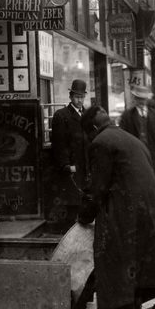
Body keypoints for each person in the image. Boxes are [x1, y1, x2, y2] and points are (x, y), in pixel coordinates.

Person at [79, 106, 155, 309]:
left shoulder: (101, 143)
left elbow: (97, 187)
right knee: (136, 260)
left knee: (114, 257)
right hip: (150, 208)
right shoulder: (128, 137)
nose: (89, 139)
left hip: (129, 211)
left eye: (88, 134)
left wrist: (84, 216)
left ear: (93, 129)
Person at [50, 79, 88, 228]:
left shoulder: (87, 115)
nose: (80, 100)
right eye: (77, 97)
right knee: (72, 205)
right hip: (71, 169)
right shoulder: (62, 116)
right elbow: (59, 145)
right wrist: (66, 166)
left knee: (84, 203)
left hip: (84, 168)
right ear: (71, 97)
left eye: (82, 97)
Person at [119, 85, 155, 188]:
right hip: (135, 155)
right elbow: (123, 137)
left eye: (143, 99)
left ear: (147, 99)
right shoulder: (127, 116)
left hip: (153, 154)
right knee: (138, 183)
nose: (141, 102)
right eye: (139, 99)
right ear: (135, 99)